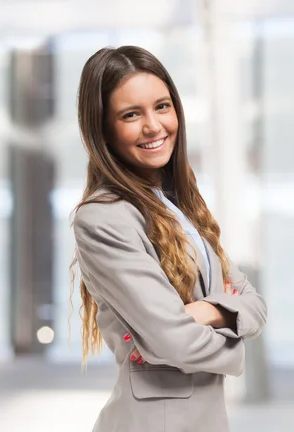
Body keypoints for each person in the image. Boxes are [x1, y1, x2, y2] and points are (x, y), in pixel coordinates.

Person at [70, 45, 268, 432]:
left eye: (162, 106)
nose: (154, 126)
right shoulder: (104, 217)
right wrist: (233, 338)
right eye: (131, 114)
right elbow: (173, 341)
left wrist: (204, 312)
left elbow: (256, 305)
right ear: (103, 129)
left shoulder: (180, 206)